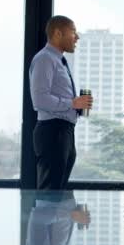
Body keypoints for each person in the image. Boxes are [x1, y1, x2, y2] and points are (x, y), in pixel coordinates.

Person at [30, 15, 93, 190]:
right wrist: (73, 103)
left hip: (64, 131)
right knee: (49, 192)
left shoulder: (58, 60)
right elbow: (40, 99)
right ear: (58, 33)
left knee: (57, 191)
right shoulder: (45, 58)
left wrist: (78, 106)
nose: (77, 37)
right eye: (73, 31)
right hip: (53, 131)